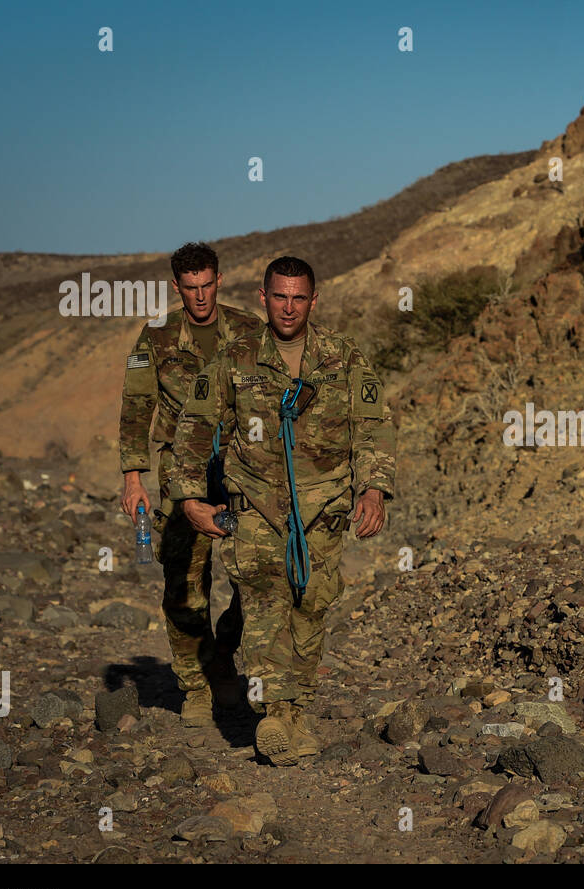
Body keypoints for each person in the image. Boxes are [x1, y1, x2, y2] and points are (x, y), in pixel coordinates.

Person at [169, 255, 395, 765]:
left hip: (323, 509)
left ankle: (297, 710)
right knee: (265, 603)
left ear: (313, 301)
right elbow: (194, 425)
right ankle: (276, 709)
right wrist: (189, 499)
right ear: (262, 298)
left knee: (311, 605)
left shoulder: (343, 356)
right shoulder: (235, 358)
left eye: (298, 298)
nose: (288, 307)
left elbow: (374, 423)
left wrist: (374, 489)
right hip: (254, 509)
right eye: (279, 296)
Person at [118, 242, 262, 727]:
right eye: (190, 288)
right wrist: (132, 477)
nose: (200, 297)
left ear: (219, 281)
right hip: (182, 468)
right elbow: (137, 406)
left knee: (257, 573)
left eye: (207, 286)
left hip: (242, 465)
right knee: (185, 580)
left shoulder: (249, 330)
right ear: (177, 287)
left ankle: (223, 655)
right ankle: (195, 685)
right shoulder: (155, 337)